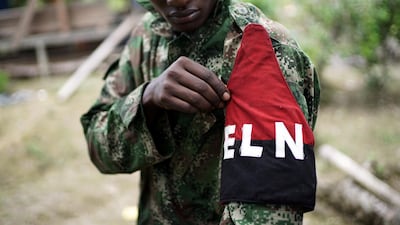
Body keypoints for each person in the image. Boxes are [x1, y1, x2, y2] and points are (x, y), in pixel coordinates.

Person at [80, 0, 320, 224]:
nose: (176, 1)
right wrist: (147, 99)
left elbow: (268, 209)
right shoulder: (147, 35)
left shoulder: (261, 48)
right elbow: (98, 146)